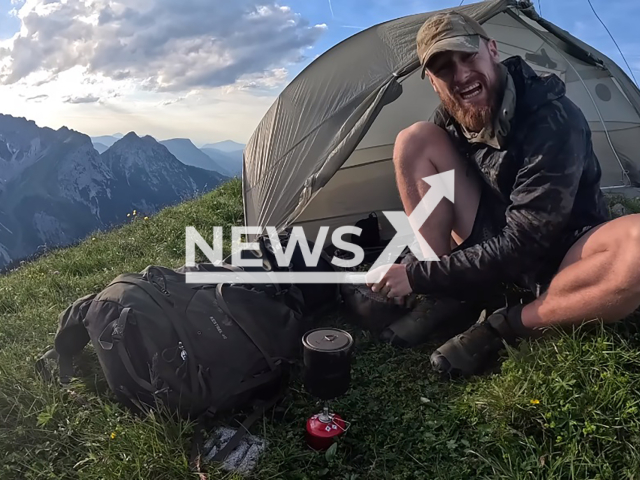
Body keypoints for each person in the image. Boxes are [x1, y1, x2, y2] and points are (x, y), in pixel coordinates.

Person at [365, 11, 640, 377]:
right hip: (495, 232)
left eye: (468, 56)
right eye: (444, 68)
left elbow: (524, 243)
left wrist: (415, 276)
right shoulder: (451, 115)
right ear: (432, 82)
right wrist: (418, 266)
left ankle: (507, 323)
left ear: (492, 50)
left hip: (564, 251)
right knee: (414, 141)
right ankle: (450, 294)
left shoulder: (552, 118)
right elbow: (436, 195)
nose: (461, 75)